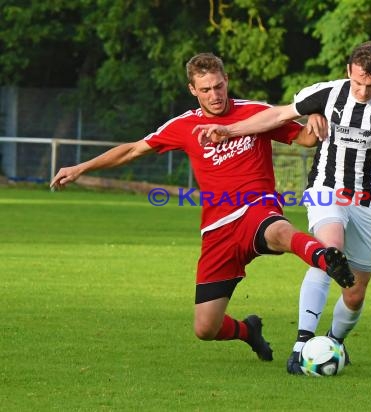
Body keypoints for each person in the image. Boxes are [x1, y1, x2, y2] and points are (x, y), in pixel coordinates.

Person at [50, 52, 355, 363]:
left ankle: (324, 258)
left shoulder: (255, 113)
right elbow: (132, 150)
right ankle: (249, 331)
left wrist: (317, 117)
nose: (215, 95)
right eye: (206, 90)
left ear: (227, 82)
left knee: (277, 230)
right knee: (206, 327)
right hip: (217, 230)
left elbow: (305, 138)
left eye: (219, 86)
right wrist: (81, 168)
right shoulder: (183, 125)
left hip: (255, 207)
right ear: (192, 90)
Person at [193, 41, 371, 374]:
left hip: (366, 201)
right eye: (358, 82)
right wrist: (228, 130)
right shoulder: (327, 92)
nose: (363, 91)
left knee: (355, 293)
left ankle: (333, 340)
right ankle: (302, 343)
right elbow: (277, 115)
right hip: (326, 190)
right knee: (329, 251)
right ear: (349, 71)